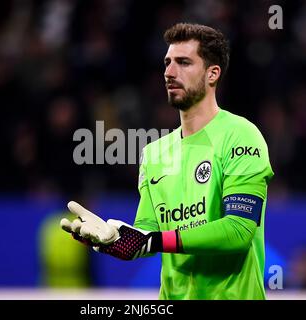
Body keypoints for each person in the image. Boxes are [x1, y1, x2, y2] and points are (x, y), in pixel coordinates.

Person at [61, 23, 274, 300]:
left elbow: (238, 230)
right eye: (167, 63)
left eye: (183, 63)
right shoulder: (154, 153)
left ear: (212, 74)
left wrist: (154, 240)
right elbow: (146, 236)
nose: (169, 73)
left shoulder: (241, 135)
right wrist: (114, 240)